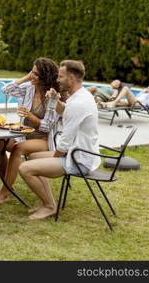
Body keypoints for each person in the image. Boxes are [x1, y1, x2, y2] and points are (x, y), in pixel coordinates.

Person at [18, 60, 100, 220]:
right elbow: (65, 111)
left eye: (61, 76)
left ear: (71, 79)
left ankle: (49, 206)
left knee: (25, 168)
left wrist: (53, 159)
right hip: (77, 152)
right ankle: (47, 202)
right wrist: (54, 100)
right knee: (33, 157)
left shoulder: (79, 103)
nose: (57, 79)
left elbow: (65, 141)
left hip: (79, 159)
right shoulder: (80, 96)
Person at [0, 57, 62, 205]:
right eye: (31, 72)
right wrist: (27, 78)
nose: (32, 76)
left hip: (43, 140)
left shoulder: (53, 96)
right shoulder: (29, 87)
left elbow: (47, 126)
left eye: (36, 74)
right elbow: (6, 89)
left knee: (18, 148)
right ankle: (9, 185)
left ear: (45, 76)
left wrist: (30, 116)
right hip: (24, 134)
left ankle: (4, 192)